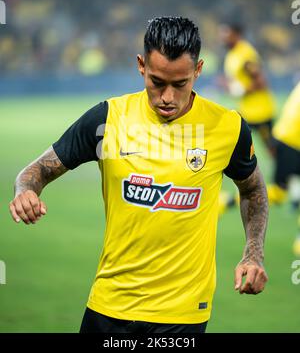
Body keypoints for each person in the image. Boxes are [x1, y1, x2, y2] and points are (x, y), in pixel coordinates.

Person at [9, 17, 268, 333]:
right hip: (109, 307)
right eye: (157, 82)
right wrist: (26, 191)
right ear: (141, 66)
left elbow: (253, 190)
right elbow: (34, 172)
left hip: (183, 316)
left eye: (181, 84)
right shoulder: (107, 119)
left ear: (198, 70)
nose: (168, 97)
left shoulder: (227, 127)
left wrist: (253, 254)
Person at [219, 22, 276, 157]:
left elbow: (261, 83)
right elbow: (236, 82)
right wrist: (228, 86)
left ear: (237, 35)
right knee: (233, 142)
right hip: (246, 111)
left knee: (273, 149)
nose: (222, 37)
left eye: (226, 33)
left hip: (260, 111)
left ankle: (284, 175)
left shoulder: (245, 53)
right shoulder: (231, 55)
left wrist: (239, 90)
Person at [268, 81, 300, 255]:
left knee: (279, 192)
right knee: (278, 193)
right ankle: (226, 202)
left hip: (286, 138)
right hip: (292, 142)